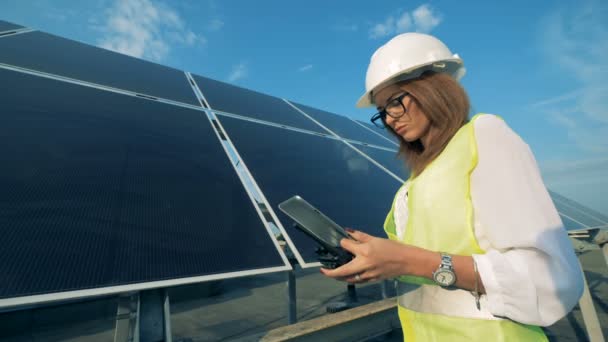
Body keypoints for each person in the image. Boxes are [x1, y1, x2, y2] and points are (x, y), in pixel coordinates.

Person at [320, 32, 584, 341]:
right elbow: (419, 266)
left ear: (434, 87)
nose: (390, 120)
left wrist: (407, 260)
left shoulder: (485, 137)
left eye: (394, 103)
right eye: (382, 112)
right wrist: (371, 259)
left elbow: (551, 280)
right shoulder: (413, 183)